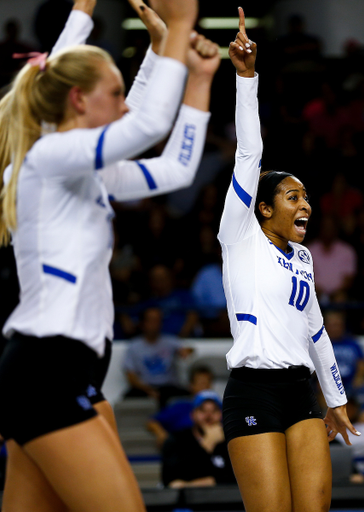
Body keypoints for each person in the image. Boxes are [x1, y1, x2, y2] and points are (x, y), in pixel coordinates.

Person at [0, 0, 200, 511]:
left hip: (69, 369)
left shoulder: (85, 171)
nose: (124, 103)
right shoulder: (46, 158)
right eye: (115, 92)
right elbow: (144, 124)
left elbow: (173, 168)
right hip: (47, 367)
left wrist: (194, 79)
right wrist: (178, 26)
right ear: (77, 100)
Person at [218, 8, 361, 512]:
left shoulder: (301, 254)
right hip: (252, 392)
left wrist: (337, 398)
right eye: (293, 196)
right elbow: (248, 154)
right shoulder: (239, 234)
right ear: (263, 207)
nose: (306, 205)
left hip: (302, 392)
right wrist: (246, 78)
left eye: (306, 197)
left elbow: (316, 328)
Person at [161, 389, 235, 488]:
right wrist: (208, 443)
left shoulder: (230, 441)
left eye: (214, 411)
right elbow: (171, 479)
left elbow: (238, 479)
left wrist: (190, 484)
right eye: (202, 410)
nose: (208, 416)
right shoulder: (177, 439)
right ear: (193, 415)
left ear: (221, 415)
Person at [123, 307, 193, 408]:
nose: (154, 324)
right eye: (151, 320)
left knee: (188, 397)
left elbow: (189, 349)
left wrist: (185, 352)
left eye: (157, 320)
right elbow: (130, 376)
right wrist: (149, 390)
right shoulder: (134, 347)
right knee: (127, 399)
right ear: (143, 323)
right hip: (144, 388)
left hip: (168, 387)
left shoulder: (170, 341)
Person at [146, 364, 214, 447]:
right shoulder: (180, 407)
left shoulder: (219, 410)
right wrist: (161, 434)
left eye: (207, 383)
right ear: (191, 386)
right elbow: (152, 422)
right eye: (201, 383)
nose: (204, 387)